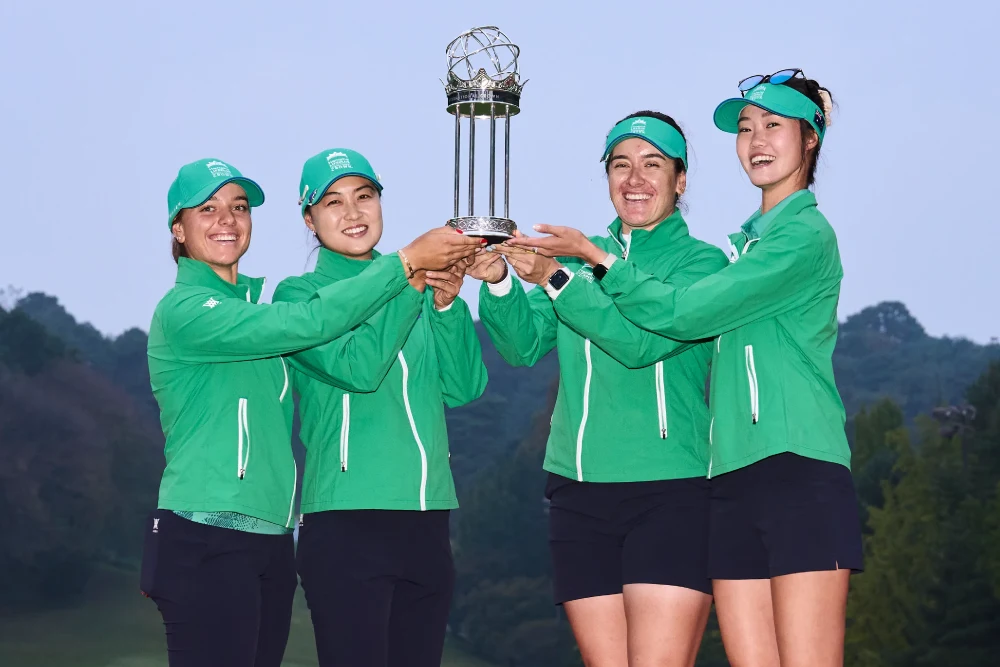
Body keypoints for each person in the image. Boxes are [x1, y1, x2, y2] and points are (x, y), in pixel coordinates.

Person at [509, 71, 862, 667]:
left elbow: (679, 315)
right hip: (730, 475)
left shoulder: (802, 236)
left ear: (811, 140)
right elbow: (525, 342)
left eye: (774, 126)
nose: (756, 140)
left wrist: (590, 264)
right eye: (747, 128)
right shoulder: (748, 246)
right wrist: (505, 280)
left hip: (799, 468)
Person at [140, 157, 480, 667]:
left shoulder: (257, 309)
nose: (227, 220)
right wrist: (406, 267)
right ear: (178, 229)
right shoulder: (187, 310)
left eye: (238, 207)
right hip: (206, 532)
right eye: (206, 209)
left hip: (272, 537)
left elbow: (464, 385)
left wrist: (444, 301)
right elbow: (328, 335)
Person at [469, 113, 727, 667]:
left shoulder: (702, 264)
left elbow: (640, 344)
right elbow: (522, 346)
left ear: (680, 180)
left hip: (671, 489)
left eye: (652, 164)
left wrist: (561, 276)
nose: (635, 179)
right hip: (579, 492)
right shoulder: (571, 258)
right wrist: (499, 283)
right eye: (620, 165)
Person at [272, 148, 488, 667]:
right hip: (347, 521)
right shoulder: (298, 295)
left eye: (364, 197)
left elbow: (463, 387)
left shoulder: (416, 286)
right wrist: (411, 282)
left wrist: (448, 303)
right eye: (333, 202)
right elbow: (357, 369)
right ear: (309, 218)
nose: (353, 213)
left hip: (427, 518)